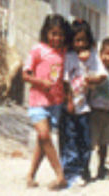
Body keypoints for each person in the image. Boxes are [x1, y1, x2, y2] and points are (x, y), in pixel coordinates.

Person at [23, 14, 69, 190]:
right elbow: (25, 74)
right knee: (44, 135)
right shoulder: (37, 50)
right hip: (37, 101)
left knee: (43, 142)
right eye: (53, 33)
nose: (57, 38)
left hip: (55, 102)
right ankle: (60, 175)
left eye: (60, 34)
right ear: (46, 33)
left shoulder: (63, 52)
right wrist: (40, 82)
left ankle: (30, 175)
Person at [62, 19, 106, 187]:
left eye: (84, 40)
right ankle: (72, 171)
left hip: (86, 106)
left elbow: (102, 75)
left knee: (85, 141)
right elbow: (65, 82)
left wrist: (92, 79)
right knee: (71, 140)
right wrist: (70, 102)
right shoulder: (69, 56)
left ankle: (84, 169)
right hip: (73, 105)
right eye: (77, 40)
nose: (80, 44)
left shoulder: (93, 55)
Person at [89, 38, 109, 180]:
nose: (108, 58)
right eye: (106, 54)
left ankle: (101, 167)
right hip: (94, 110)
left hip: (108, 111)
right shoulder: (96, 69)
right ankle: (85, 168)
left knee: (104, 142)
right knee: (91, 141)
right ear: (100, 54)